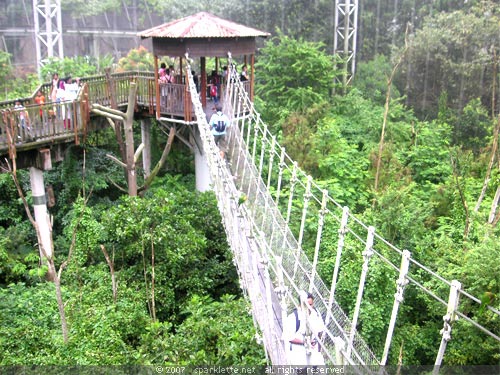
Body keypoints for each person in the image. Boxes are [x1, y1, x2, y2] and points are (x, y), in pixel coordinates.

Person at [282, 292, 326, 370]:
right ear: (300, 305)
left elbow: (320, 330)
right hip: (299, 355)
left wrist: (317, 346)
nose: (309, 307)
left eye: (311, 304)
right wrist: (305, 342)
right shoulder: (293, 318)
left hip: (314, 354)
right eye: (306, 305)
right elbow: (288, 337)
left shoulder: (316, 314)